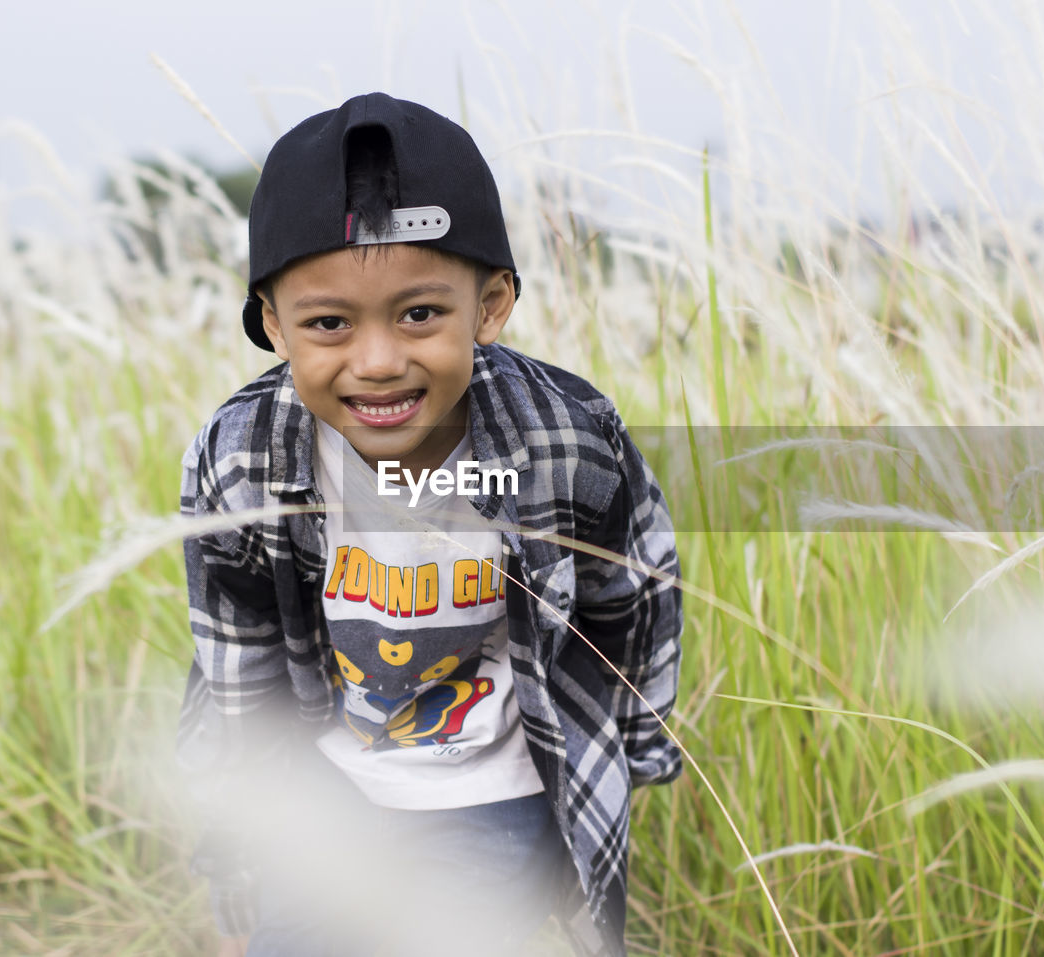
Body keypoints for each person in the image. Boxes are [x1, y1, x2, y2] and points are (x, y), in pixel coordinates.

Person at [177, 92, 682, 957]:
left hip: (492, 792)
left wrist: (627, 748)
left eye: (420, 313)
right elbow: (239, 649)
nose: (377, 361)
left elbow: (628, 597)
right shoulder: (241, 456)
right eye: (328, 323)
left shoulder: (565, 441)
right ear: (273, 325)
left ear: (490, 305)